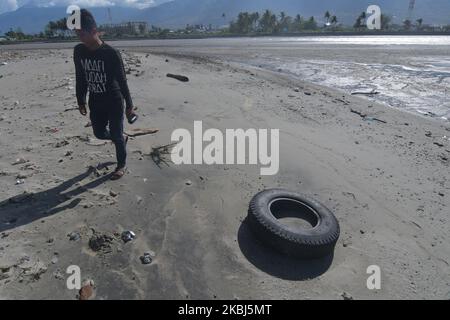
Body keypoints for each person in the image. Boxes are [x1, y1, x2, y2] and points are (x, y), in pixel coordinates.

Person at [73, 9, 137, 180]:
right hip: (95, 101)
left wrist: (129, 106)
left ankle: (121, 164)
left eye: (83, 34)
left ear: (94, 31)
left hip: (114, 100)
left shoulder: (111, 53)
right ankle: (120, 139)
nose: (80, 38)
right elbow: (81, 77)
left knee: (115, 132)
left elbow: (122, 81)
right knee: (99, 134)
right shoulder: (79, 51)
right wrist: (80, 100)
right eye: (77, 34)